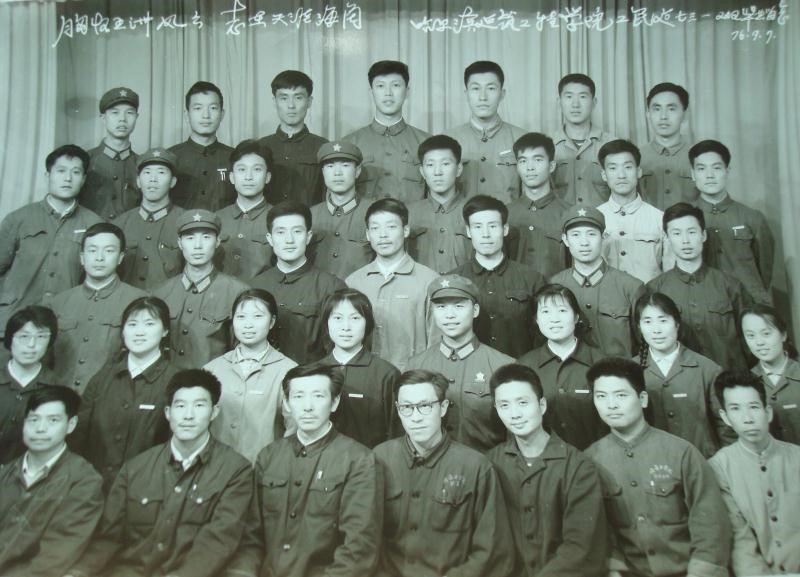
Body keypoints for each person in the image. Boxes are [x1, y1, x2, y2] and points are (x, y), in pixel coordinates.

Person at [66, 369, 253, 577]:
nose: (188, 415)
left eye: (199, 405)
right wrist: (77, 572)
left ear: (214, 412)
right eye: (180, 406)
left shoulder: (236, 470)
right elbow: (108, 539)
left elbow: (217, 542)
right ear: (167, 412)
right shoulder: (135, 468)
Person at [229, 364, 382, 577]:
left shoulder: (359, 460)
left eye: (318, 396)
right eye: (298, 396)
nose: (307, 407)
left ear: (334, 402)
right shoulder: (269, 456)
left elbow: (359, 548)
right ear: (287, 403)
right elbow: (250, 537)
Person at [585, 357, 732, 577]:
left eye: (621, 395)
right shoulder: (589, 462)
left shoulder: (682, 453)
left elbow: (711, 525)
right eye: (601, 396)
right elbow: (599, 535)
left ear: (642, 399)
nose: (611, 405)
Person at [374, 369, 514, 577]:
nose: (416, 417)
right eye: (407, 408)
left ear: (443, 407)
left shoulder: (476, 466)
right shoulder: (379, 458)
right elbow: (364, 538)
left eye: (425, 406)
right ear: (398, 410)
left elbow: (493, 551)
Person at [487, 363, 607, 577]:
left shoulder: (578, 466)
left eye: (523, 403)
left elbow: (581, 549)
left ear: (541, 405)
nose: (514, 414)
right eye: (504, 405)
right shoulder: (490, 463)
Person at [70, 296, 178, 490]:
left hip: (147, 492)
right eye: (132, 324)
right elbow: (78, 437)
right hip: (93, 490)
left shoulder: (176, 382)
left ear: (165, 331)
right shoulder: (102, 377)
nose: (139, 332)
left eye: (149, 324)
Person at [0, 386, 103, 577]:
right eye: (33, 419)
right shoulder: (5, 472)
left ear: (71, 424)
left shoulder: (84, 482)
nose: (40, 428)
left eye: (53, 420)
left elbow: (52, 560)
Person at [406, 274, 514, 452]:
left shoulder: (503, 366)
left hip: (486, 464)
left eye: (458, 306)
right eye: (441, 307)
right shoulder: (416, 365)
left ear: (475, 310)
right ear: (432, 311)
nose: (449, 315)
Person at [0, 144, 102, 333]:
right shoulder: (18, 219)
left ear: (83, 179)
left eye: (76, 172)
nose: (68, 178)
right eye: (61, 171)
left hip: (65, 327)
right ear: (48, 175)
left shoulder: (94, 224)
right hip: (13, 325)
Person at [709, 370, 800, 575]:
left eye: (754, 407)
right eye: (735, 409)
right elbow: (740, 541)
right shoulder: (719, 468)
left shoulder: (797, 458)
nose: (747, 418)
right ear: (725, 417)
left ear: (768, 412)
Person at [647, 202, 752, 370]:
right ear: (667, 238)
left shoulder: (730, 286)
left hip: (729, 378)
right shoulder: (655, 290)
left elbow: (750, 339)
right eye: (676, 233)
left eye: (692, 232)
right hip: (680, 380)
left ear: (703, 235)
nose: (685, 240)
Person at [47, 222, 146, 393]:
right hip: (60, 397)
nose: (99, 258)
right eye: (92, 250)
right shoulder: (58, 303)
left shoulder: (139, 301)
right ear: (82, 257)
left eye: (109, 251)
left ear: (120, 257)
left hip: (109, 398)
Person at [634, 291, 732, 457]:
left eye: (663, 320)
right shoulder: (630, 371)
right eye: (647, 321)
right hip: (652, 461)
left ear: (677, 324)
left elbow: (726, 429)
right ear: (639, 327)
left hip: (702, 461)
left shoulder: (707, 369)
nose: (656, 330)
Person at [204, 289, 297, 463]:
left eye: (257, 316)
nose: (248, 324)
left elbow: (294, 430)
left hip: (265, 469)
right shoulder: (211, 370)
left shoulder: (289, 371)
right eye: (241, 317)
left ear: (272, 322)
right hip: (215, 469)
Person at [345, 198, 439, 371]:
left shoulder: (429, 281)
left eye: (391, 227)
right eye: (375, 228)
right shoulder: (353, 282)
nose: (383, 235)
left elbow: (437, 343)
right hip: (362, 377)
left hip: (411, 378)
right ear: (368, 234)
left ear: (405, 230)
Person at [450, 194, 545, 357]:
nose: (485, 234)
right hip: (469, 369)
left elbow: (542, 337)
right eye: (478, 227)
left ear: (505, 229)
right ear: (468, 231)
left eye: (493, 226)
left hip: (519, 369)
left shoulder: (532, 280)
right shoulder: (454, 280)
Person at [153, 209, 249, 369]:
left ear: (217, 241)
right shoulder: (160, 293)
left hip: (214, 381)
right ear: (179, 243)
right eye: (190, 238)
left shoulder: (237, 293)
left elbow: (242, 354)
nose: (198, 246)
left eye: (206, 237)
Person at [251, 201, 345, 364]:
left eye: (297, 231)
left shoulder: (331, 287)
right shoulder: (253, 286)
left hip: (311, 377)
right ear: (270, 239)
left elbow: (338, 353)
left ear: (308, 237)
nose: (289, 240)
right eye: (281, 232)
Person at [517, 284, 606, 450]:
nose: (554, 319)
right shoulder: (524, 366)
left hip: (595, 458)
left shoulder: (602, 364)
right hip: (542, 459)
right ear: (536, 319)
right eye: (545, 312)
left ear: (576, 317)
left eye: (562, 311)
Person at [551, 204, 645, 357]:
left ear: (603, 237)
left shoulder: (631, 287)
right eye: (575, 235)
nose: (584, 242)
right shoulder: (555, 285)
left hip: (619, 370)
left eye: (591, 234)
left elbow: (645, 346)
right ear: (565, 240)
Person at [690, 139, 775, 305]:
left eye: (716, 168)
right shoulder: (685, 220)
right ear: (693, 174)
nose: (709, 175)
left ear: (727, 171)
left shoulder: (752, 218)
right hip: (705, 305)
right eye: (701, 169)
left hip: (749, 304)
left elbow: (764, 271)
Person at [316, 288, 400, 448]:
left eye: (355, 318)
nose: (346, 327)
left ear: (368, 323)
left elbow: (395, 434)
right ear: (326, 323)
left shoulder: (387, 374)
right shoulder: (314, 372)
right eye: (338, 318)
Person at [343, 60, 430, 203]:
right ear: (371, 92)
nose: (388, 93)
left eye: (396, 85)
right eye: (380, 86)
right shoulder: (349, 144)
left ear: (407, 91)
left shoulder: (426, 142)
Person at [444, 60, 526, 203]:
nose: (483, 97)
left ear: (502, 94)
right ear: (466, 94)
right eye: (475, 88)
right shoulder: (446, 139)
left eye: (491, 88)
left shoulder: (523, 139)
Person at [597, 139, 669, 283]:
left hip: (649, 295)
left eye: (628, 167)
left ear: (639, 171)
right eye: (613, 168)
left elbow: (670, 273)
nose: (621, 175)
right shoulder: (594, 218)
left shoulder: (660, 219)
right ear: (604, 175)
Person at [113, 147, 186, 290]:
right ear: (138, 181)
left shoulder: (185, 222)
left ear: (173, 181)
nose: (153, 179)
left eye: (161, 172)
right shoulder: (120, 224)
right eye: (147, 173)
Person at [0, 306, 60, 464]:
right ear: (10, 339)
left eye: (41, 337)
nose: (31, 344)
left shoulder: (57, 390)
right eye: (24, 336)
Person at [506, 132, 570, 279]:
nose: (530, 167)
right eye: (523, 161)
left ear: (551, 166)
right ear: (517, 167)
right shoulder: (504, 214)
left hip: (556, 292)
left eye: (538, 160)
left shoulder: (569, 213)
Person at [259, 70, 328, 206]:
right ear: (274, 101)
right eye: (284, 98)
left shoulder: (323, 147)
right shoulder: (260, 147)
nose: (291, 106)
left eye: (298, 98)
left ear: (309, 102)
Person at [407, 134, 472, 274]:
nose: (437, 172)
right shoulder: (408, 214)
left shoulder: (476, 212)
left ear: (459, 169)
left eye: (445, 164)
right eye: (430, 165)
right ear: (422, 171)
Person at [309, 141, 373, 279]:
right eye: (330, 166)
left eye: (345, 165)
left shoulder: (375, 213)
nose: (337, 173)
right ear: (323, 172)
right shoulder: (310, 215)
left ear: (357, 171)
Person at [169, 81, 236, 211]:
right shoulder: (170, 158)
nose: (206, 115)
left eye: (213, 108)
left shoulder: (235, 159)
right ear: (187, 115)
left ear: (222, 114)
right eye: (198, 108)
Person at [215, 140, 274, 282]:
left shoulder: (278, 218)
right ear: (232, 177)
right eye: (241, 169)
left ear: (267, 177)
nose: (248, 177)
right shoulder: (216, 218)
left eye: (257, 169)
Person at [741, 304, 800, 444]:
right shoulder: (746, 383)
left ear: (783, 335)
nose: (759, 342)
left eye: (766, 333)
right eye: (750, 336)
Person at [552, 73, 613, 206]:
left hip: (602, 219)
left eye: (583, 97)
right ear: (559, 102)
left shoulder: (612, 144)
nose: (575, 104)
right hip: (559, 219)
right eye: (569, 97)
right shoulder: (546, 147)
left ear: (594, 102)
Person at [80, 87, 141, 220]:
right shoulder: (84, 161)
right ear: (103, 118)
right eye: (115, 113)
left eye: (129, 113)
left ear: (136, 117)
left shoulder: (143, 165)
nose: (122, 119)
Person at [639, 82, 697, 209]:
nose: (663, 116)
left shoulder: (699, 156)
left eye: (671, 109)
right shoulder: (636, 157)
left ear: (685, 114)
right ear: (648, 114)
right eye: (657, 109)